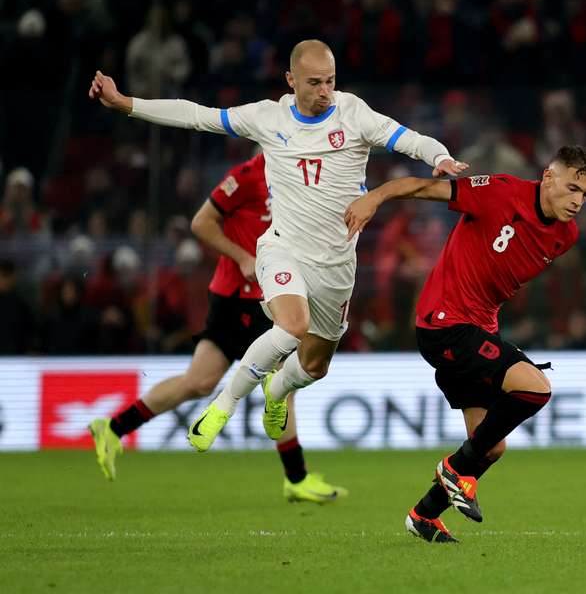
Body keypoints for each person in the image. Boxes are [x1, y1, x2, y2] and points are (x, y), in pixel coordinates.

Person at [88, 39, 467, 452]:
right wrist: (126, 103)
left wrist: (440, 156)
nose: (325, 92)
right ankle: (224, 404)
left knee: (315, 366)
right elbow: (196, 116)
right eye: (315, 83)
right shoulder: (267, 117)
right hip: (282, 248)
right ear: (291, 80)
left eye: (331, 81)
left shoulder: (354, 113)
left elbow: (410, 139)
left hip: (336, 264)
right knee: (291, 325)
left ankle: (277, 390)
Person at [344, 145, 586, 543]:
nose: (577, 201)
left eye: (585, 195)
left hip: (479, 329)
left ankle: (424, 515)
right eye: (572, 188)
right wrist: (374, 197)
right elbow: (423, 189)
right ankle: (455, 468)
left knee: (492, 448)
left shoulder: (565, 236)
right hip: (445, 322)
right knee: (535, 387)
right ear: (548, 177)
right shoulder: (499, 191)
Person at [88, 154, 346, 502]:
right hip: (242, 295)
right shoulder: (248, 175)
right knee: (281, 382)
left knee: (198, 382)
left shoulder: (302, 170)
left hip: (264, 291)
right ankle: (296, 478)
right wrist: (242, 257)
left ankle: (113, 427)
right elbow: (201, 222)